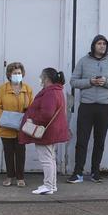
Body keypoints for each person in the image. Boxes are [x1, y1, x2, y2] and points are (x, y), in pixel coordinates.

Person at [71, 34, 108, 184]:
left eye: (104, 44)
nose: (102, 46)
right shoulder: (83, 61)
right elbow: (73, 81)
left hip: (104, 107)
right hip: (86, 106)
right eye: (99, 43)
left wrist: (106, 82)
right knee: (82, 140)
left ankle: (95, 172)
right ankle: (78, 173)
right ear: (93, 45)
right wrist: (90, 81)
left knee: (99, 140)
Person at [24, 68, 70, 196]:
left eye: (41, 77)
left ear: (46, 79)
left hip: (45, 131)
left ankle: (48, 186)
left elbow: (46, 113)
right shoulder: (57, 90)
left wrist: (33, 118)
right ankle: (52, 185)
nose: (40, 79)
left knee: (46, 159)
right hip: (52, 130)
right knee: (51, 158)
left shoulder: (49, 92)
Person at [0, 61, 33, 186]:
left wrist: (28, 117)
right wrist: (4, 118)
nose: (17, 75)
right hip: (6, 125)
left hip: (21, 126)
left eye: (19, 73)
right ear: (9, 74)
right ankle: (9, 176)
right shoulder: (2, 89)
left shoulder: (27, 89)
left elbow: (32, 106)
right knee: (8, 152)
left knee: (21, 152)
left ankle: (20, 177)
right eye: (15, 73)